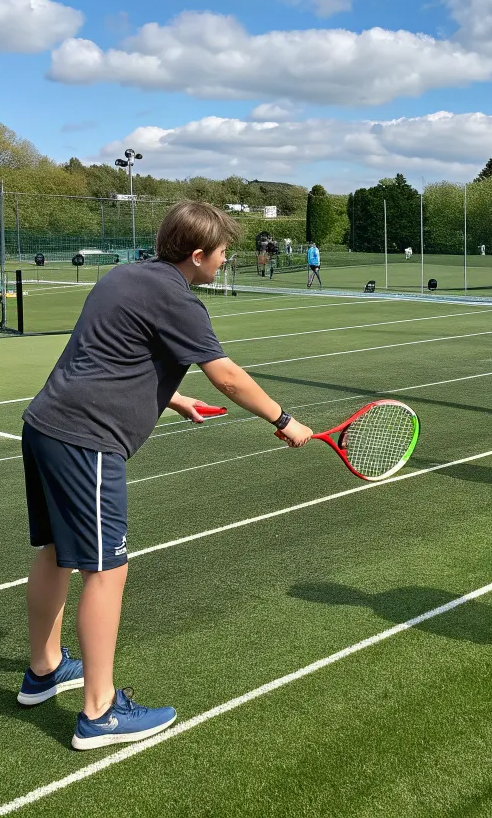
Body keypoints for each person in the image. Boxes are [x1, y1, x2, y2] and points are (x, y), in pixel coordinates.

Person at [16, 202, 313, 749]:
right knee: (106, 571)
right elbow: (226, 375)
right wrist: (284, 419)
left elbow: (104, 354)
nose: (225, 262)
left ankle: (44, 671)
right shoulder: (181, 300)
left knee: (56, 552)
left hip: (45, 425)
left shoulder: (123, 276)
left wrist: (171, 399)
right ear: (197, 255)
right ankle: (100, 713)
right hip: (88, 440)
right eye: (222, 253)